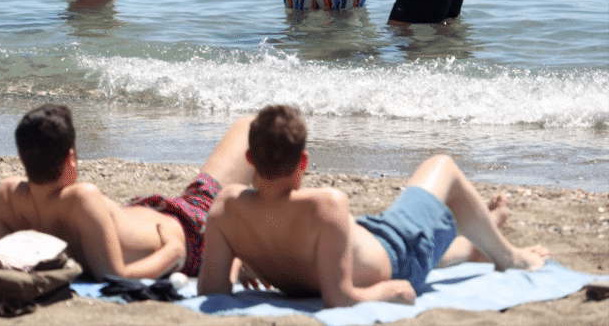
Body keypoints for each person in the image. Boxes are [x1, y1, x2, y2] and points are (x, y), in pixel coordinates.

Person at [197, 105, 549, 307]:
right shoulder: (325, 205)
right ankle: (508, 257)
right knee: (443, 167)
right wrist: (389, 291)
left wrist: (244, 262)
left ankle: (475, 243)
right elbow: (340, 297)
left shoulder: (226, 207)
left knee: (409, 233)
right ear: (303, 162)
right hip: (398, 254)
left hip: (367, 243)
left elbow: (212, 290)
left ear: (249, 158)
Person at [0, 103, 255, 281]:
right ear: (70, 159)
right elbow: (116, 275)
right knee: (251, 126)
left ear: (21, 157)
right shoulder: (81, 198)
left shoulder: (7, 197)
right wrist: (174, 252)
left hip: (159, 213)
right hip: (193, 228)